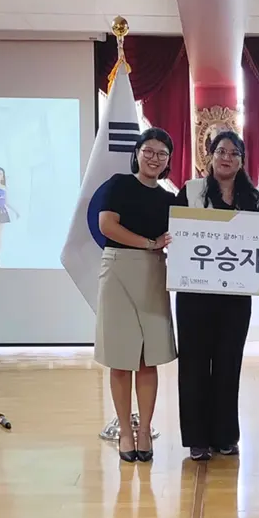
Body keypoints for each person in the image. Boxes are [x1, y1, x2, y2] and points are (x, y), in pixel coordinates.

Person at [174, 131, 259, 461]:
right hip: (194, 294)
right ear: (210, 156)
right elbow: (175, 233)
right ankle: (197, 438)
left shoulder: (251, 198)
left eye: (234, 153)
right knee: (194, 364)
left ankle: (225, 435)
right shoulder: (191, 191)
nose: (227, 158)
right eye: (221, 151)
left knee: (228, 364)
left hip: (235, 297)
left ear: (242, 161)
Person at [96, 127, 177, 463]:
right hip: (118, 270)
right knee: (120, 358)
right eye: (149, 151)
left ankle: (144, 430)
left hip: (154, 272)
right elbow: (107, 225)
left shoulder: (170, 200)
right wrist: (148, 243)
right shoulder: (119, 184)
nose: (154, 158)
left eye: (162, 154)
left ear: (169, 161)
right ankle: (125, 433)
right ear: (137, 153)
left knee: (147, 358)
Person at [0, 166, 19, 267]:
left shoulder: (4, 188)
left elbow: (7, 202)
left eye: (0, 174)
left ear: (3, 177)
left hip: (1, 212)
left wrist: (16, 211)